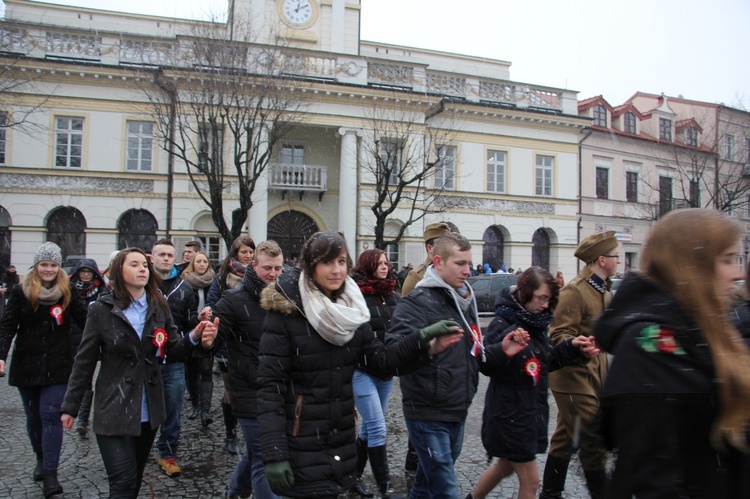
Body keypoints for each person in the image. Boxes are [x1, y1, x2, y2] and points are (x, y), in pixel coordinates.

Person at [256, 231, 464, 499]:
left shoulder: (351, 312)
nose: (336, 270)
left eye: (342, 261)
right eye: (327, 262)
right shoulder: (285, 314)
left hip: (339, 441)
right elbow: (270, 388)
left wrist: (423, 341)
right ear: (310, 265)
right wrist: (274, 453)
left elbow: (382, 361)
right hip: (300, 441)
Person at [596, 208, 750, 498]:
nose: (738, 272)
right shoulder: (649, 345)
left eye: (738, 260)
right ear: (692, 265)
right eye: (727, 260)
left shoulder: (712, 327)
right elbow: (653, 476)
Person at [60, 247, 217, 499]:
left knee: (133, 483)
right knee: (122, 483)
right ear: (118, 272)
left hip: (148, 410)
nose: (142, 269)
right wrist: (71, 405)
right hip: (113, 407)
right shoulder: (101, 310)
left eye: (144, 265)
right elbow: (84, 361)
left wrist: (195, 336)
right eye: (134, 265)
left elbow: (173, 350)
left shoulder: (159, 306)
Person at [385, 232, 530, 499]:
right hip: (427, 413)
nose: (468, 270)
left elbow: (477, 355)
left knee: (427, 483)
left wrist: (502, 351)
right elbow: (391, 357)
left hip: (456, 410)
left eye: (469, 263)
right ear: (438, 262)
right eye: (460, 263)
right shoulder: (417, 302)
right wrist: (426, 345)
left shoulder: (464, 299)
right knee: (446, 488)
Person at [467, 267, 599, 499]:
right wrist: (504, 349)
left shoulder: (535, 323)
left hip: (528, 412)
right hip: (510, 415)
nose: (546, 305)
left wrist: (572, 348)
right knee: (531, 481)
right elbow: (486, 363)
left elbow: (545, 361)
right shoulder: (504, 322)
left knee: (505, 467)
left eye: (549, 300)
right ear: (525, 293)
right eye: (542, 298)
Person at [0, 242, 88, 497]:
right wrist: (1, 355)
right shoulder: (20, 291)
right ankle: (40, 458)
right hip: (27, 363)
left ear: (59, 267)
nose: (48, 269)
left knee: (50, 415)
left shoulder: (67, 290)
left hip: (59, 364)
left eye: (53, 265)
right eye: (44, 265)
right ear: (36, 266)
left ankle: (51, 472)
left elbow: (85, 320)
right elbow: (7, 326)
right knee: (34, 418)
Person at [540, 230, 618, 499]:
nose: (619, 260)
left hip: (595, 374)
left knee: (565, 438)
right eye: (615, 256)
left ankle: (549, 494)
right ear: (601, 259)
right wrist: (578, 344)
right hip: (571, 376)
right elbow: (559, 334)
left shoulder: (604, 290)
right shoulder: (575, 290)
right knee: (593, 438)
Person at [213, 241, 284, 499]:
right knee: (265, 457)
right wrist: (206, 334)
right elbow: (213, 339)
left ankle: (236, 489)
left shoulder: (286, 296)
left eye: (278, 268)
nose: (273, 274)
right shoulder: (234, 299)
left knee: (256, 450)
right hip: (248, 390)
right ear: (253, 265)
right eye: (267, 268)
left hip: (279, 391)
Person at [350, 249, 403, 499]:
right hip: (362, 370)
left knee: (369, 429)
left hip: (386, 370)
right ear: (368, 265)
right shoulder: (355, 294)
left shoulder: (392, 293)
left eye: (386, 263)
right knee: (378, 427)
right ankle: (386, 487)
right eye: (379, 263)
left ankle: (353, 477)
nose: (385, 267)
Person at [150, 239, 200, 477]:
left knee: (173, 411)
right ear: (152, 258)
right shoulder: (142, 283)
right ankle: (137, 452)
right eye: (161, 254)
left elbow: (190, 324)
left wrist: (199, 326)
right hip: (146, 359)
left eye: (170, 255)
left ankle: (168, 453)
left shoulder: (185, 288)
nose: (166, 258)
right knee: (142, 408)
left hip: (174, 358)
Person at [206, 235, 256, 455]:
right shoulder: (222, 276)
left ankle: (251, 430)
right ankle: (230, 433)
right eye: (243, 252)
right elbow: (212, 303)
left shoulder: (257, 275)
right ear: (235, 253)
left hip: (251, 340)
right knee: (231, 389)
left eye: (250, 252)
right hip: (228, 340)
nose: (247, 255)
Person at [68, 258, 109, 436]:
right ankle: (76, 413)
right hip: (74, 338)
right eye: (82, 272)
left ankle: (83, 417)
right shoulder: (69, 291)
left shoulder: (101, 291)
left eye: (89, 272)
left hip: (94, 339)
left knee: (89, 377)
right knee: (80, 376)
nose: (85, 275)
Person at [181, 251, 216, 422]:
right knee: (192, 371)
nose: (201, 264)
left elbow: (218, 302)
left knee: (206, 369)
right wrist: (196, 318)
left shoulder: (213, 282)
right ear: (193, 264)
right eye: (198, 261)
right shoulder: (186, 283)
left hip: (208, 329)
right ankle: (195, 404)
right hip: (191, 328)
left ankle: (205, 411)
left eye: (204, 262)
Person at [401, 223, 451, 296]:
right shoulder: (416, 276)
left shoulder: (452, 271)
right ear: (430, 248)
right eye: (443, 245)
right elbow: (406, 305)